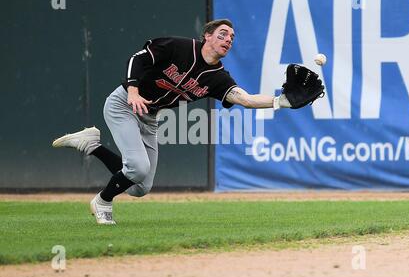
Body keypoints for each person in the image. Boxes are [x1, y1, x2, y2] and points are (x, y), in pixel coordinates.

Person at [52, 19, 294, 225]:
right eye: (223, 34)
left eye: (232, 37)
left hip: (149, 117)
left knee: (140, 187)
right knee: (138, 167)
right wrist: (132, 91)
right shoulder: (179, 47)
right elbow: (138, 59)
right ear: (207, 36)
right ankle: (103, 201)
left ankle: (91, 145)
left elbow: (247, 100)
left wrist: (282, 101)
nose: (228, 39)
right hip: (124, 104)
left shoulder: (217, 78)